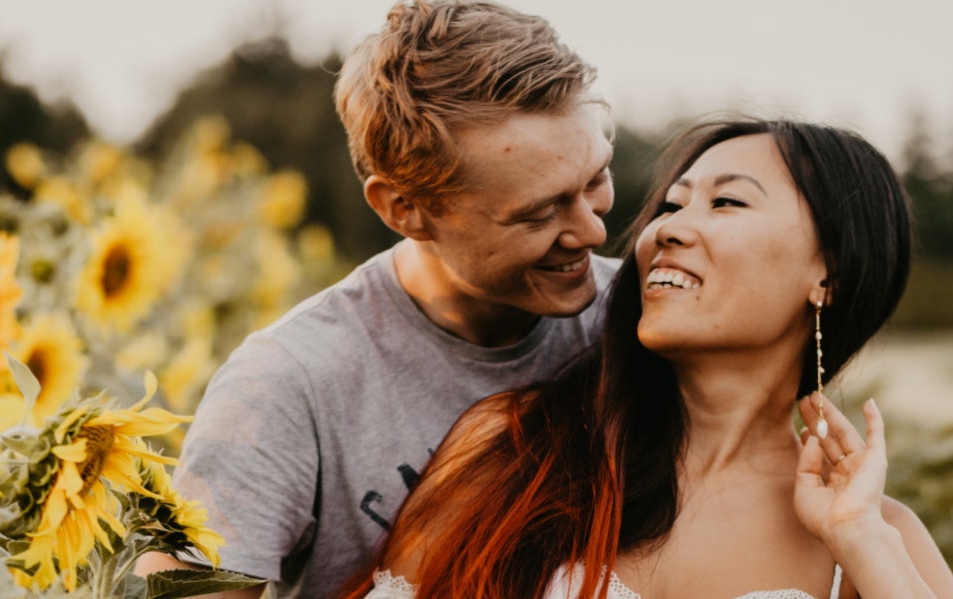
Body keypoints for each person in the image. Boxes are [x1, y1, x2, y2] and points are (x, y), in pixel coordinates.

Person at [339, 117, 953, 598]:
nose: (665, 230)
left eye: (726, 203)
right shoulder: (516, 447)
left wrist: (862, 543)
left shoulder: (874, 535)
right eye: (670, 205)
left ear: (828, 273)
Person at [135, 1, 618, 596]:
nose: (592, 233)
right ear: (403, 209)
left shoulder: (646, 321)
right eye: (539, 212)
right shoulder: (290, 385)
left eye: (595, 179)